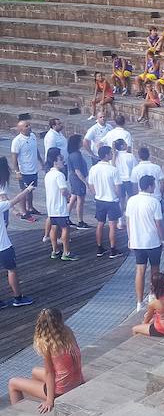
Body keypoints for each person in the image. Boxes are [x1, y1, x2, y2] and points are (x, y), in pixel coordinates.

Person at [7, 308, 84, 412]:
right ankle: (36, 396)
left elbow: (49, 373)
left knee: (13, 382)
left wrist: (50, 400)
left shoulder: (48, 344)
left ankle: (18, 414)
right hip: (76, 381)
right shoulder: (68, 332)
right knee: (35, 371)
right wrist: (81, 381)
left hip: (60, 390)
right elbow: (77, 360)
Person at [125, 175, 164, 313]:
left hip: (137, 241)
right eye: (153, 185)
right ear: (149, 186)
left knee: (140, 271)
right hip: (152, 241)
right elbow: (158, 223)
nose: (155, 187)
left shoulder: (131, 200)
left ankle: (138, 302)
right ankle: (153, 295)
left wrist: (130, 239)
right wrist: (162, 239)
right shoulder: (154, 202)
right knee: (155, 270)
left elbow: (128, 221)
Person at [0, 180, 36, 308]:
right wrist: (28, 190)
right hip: (3, 247)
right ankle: (18, 298)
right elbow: (15, 200)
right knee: (11, 270)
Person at [87, 146, 123, 259]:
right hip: (111, 200)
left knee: (100, 224)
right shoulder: (113, 169)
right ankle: (113, 249)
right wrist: (118, 196)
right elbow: (118, 188)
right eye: (110, 153)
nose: (112, 155)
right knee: (112, 225)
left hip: (100, 200)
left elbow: (91, 185)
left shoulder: (93, 169)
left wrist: (96, 194)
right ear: (107, 155)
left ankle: (99, 248)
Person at [43, 149, 75, 261]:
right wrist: (69, 195)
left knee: (53, 228)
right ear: (55, 161)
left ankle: (55, 250)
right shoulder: (59, 175)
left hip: (51, 207)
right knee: (65, 228)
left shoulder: (48, 175)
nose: (63, 161)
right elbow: (63, 190)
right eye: (61, 159)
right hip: (60, 208)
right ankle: (66, 252)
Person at [10, 120, 43, 222]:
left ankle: (30, 207)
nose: (29, 127)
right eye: (26, 126)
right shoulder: (17, 141)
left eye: (29, 125)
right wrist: (17, 171)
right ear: (20, 129)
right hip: (24, 171)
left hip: (33, 169)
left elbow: (35, 149)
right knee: (24, 192)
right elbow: (14, 157)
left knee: (31, 189)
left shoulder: (32, 136)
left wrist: (41, 161)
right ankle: (24, 212)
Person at [132, 272, 164, 338]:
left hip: (162, 330)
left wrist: (143, 324)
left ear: (152, 285)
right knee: (152, 321)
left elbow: (147, 319)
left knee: (135, 329)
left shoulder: (153, 303)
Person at [66, 135, 90, 230]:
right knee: (80, 200)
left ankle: (66, 217)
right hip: (78, 180)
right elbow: (78, 171)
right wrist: (85, 182)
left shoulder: (74, 153)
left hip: (74, 179)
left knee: (73, 198)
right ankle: (80, 221)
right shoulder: (76, 155)